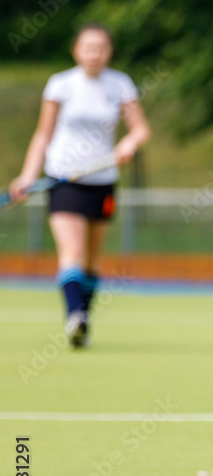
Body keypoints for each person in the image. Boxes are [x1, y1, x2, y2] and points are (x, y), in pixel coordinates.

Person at [8, 23, 150, 348]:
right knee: (71, 252)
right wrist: (28, 175)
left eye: (101, 47)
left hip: (102, 182)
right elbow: (43, 133)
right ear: (76, 50)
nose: (94, 54)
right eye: (88, 47)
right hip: (64, 179)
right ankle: (75, 316)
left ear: (109, 52)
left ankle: (83, 320)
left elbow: (140, 129)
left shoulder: (120, 84)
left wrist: (129, 144)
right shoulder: (61, 84)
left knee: (90, 261)